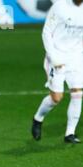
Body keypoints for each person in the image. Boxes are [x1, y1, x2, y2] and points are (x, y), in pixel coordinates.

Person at [31, 0, 83, 143]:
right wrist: (53, 57)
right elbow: (46, 32)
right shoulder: (60, 6)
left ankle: (70, 133)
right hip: (57, 56)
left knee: (77, 93)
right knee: (56, 98)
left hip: (76, 57)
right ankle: (38, 118)